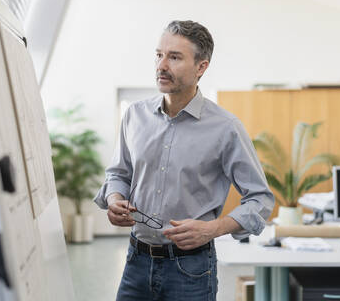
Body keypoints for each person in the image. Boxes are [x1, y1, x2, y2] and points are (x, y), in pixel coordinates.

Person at [93, 20, 274, 300]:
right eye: (159, 55)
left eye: (174, 57)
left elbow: (260, 199)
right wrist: (116, 199)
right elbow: (118, 174)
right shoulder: (134, 116)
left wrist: (214, 229)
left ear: (201, 67)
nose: (161, 65)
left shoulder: (225, 128)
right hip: (135, 263)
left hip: (191, 270)